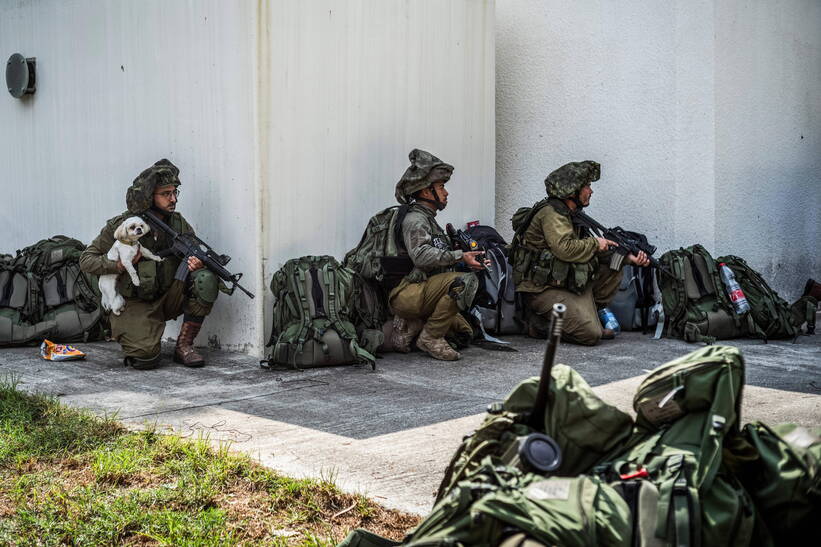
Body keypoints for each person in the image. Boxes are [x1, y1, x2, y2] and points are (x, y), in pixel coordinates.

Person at [80, 159, 220, 369]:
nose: (173, 199)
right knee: (145, 358)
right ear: (147, 197)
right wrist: (117, 266)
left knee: (205, 280)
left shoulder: (178, 223)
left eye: (175, 193)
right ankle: (137, 330)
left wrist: (196, 264)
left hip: (167, 295)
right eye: (166, 194)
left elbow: (193, 255)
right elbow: (86, 260)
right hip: (134, 302)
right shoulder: (125, 225)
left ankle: (184, 346)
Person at [511, 161, 650, 345]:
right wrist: (595, 243)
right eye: (587, 186)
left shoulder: (572, 214)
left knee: (615, 265)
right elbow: (565, 249)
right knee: (590, 335)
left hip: (567, 283)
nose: (590, 191)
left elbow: (591, 251)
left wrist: (629, 258)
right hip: (543, 289)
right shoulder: (552, 214)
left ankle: (587, 314)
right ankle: (539, 324)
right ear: (572, 191)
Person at [388, 149, 488, 361]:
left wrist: (469, 260)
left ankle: (415, 325)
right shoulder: (416, 220)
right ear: (425, 192)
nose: (446, 193)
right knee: (463, 282)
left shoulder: (429, 220)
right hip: (408, 292)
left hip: (424, 290)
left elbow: (440, 262)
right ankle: (430, 337)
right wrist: (460, 256)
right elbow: (421, 256)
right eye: (441, 187)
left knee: (465, 332)